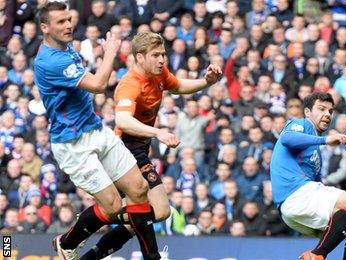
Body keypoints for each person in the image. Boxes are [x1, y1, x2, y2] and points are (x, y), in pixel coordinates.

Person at [34, 2, 158, 259]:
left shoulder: (66, 47)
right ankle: (66, 243)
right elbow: (99, 84)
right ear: (45, 27)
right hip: (72, 143)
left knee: (139, 188)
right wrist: (111, 51)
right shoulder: (49, 61)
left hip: (95, 129)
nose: (68, 25)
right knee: (112, 206)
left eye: (69, 19)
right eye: (60, 22)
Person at [82, 31, 222, 259]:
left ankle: (93, 250)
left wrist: (206, 82)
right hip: (123, 151)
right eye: (156, 55)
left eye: (163, 55)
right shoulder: (129, 84)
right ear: (139, 57)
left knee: (160, 212)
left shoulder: (158, 74)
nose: (161, 60)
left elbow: (178, 86)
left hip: (140, 150)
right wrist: (159, 133)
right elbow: (123, 121)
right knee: (137, 213)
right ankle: (92, 222)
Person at [270, 93, 346, 260]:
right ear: (307, 112)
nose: (327, 114)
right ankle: (317, 255)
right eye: (321, 109)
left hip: (295, 211)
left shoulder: (316, 153)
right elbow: (287, 139)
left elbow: (318, 185)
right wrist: (326, 140)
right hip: (295, 194)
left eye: (330, 111)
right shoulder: (300, 124)